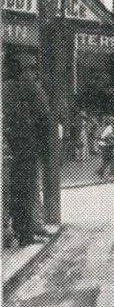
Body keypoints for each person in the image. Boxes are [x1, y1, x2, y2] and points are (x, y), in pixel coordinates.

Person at [2, 55, 49, 245]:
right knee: (26, 190)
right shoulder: (30, 88)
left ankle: (16, 231)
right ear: (23, 71)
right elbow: (44, 112)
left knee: (12, 191)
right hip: (25, 145)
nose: (33, 73)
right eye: (30, 69)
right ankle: (25, 235)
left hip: (10, 145)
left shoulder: (5, 88)